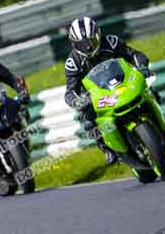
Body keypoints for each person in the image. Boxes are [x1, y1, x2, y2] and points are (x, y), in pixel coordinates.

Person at [63, 16, 154, 165]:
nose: (88, 47)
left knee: (150, 87)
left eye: (91, 41)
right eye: (82, 44)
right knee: (87, 121)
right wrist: (77, 101)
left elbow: (134, 54)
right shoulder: (73, 62)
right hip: (98, 95)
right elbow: (70, 91)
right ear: (73, 43)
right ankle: (108, 149)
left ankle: (154, 114)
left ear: (98, 35)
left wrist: (142, 67)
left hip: (124, 82)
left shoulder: (111, 42)